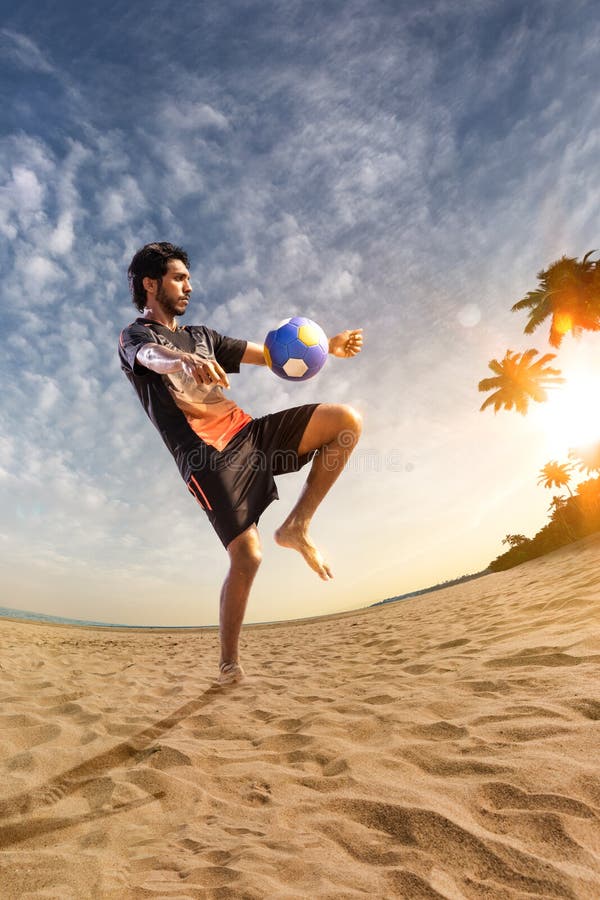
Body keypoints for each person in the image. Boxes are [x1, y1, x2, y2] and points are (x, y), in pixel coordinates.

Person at [118, 242, 363, 684]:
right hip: (206, 457)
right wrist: (184, 360)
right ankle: (229, 661)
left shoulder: (204, 337)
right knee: (248, 556)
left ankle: (297, 527)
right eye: (178, 278)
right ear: (150, 284)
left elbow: (269, 354)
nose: (189, 286)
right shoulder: (136, 337)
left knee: (345, 422)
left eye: (188, 278)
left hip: (250, 435)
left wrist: (328, 345)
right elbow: (151, 358)